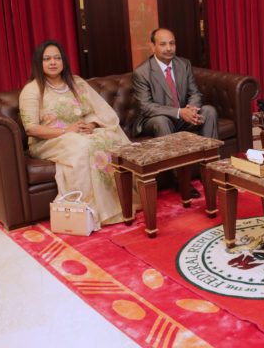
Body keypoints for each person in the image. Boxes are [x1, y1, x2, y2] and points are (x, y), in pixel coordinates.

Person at [19, 40, 135, 230]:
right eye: (47, 59)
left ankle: (121, 204)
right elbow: (31, 128)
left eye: (57, 58)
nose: (52, 62)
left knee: (110, 138)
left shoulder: (76, 82)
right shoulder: (32, 90)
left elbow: (98, 111)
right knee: (83, 146)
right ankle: (89, 209)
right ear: (39, 63)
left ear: (63, 61)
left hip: (79, 133)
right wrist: (66, 131)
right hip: (48, 140)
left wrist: (91, 124)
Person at [130, 27, 218, 139]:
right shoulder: (142, 72)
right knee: (162, 121)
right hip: (156, 119)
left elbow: (194, 93)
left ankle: (212, 155)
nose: (169, 48)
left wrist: (191, 111)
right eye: (163, 44)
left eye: (172, 43)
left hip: (182, 117)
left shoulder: (184, 64)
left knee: (209, 111)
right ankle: (174, 157)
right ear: (153, 47)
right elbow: (146, 107)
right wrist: (179, 112)